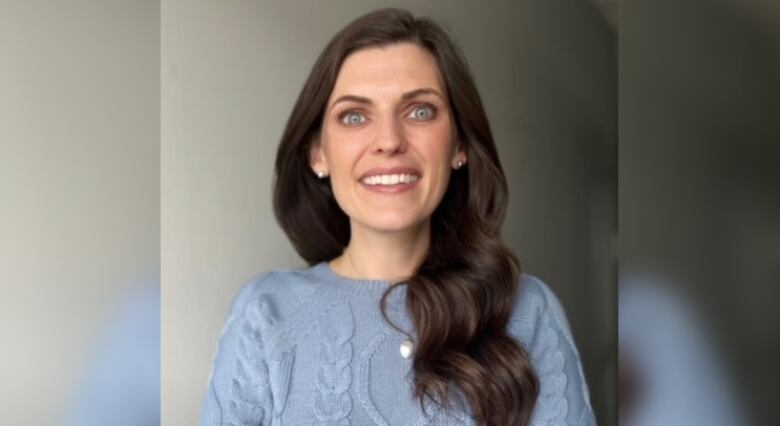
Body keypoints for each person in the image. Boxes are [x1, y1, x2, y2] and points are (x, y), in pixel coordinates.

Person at [200, 8, 595, 426]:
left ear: (459, 143)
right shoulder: (265, 313)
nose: (389, 141)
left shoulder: (526, 309)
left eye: (420, 111)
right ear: (319, 153)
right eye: (355, 116)